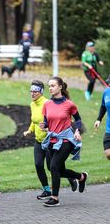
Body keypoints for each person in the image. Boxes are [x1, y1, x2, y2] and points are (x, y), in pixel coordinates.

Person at [23, 80, 78, 200]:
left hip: (52, 141)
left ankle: (71, 179)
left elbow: (63, 118)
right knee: (39, 165)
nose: (32, 94)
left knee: (53, 167)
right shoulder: (33, 104)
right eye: (31, 91)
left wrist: (52, 128)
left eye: (35, 91)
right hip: (39, 140)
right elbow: (35, 120)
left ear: (41, 92)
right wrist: (30, 130)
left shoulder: (48, 103)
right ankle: (47, 190)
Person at [40, 77, 88, 207]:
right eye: (49, 86)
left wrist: (77, 131)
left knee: (54, 167)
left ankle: (54, 198)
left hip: (66, 140)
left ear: (60, 87)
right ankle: (81, 177)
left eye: (53, 85)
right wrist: (43, 125)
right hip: (52, 139)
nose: (50, 88)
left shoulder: (69, 104)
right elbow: (46, 121)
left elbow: (78, 120)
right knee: (53, 168)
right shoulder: (47, 104)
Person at [94, 76, 110, 160]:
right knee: (108, 153)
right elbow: (103, 106)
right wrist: (99, 119)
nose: (109, 84)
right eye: (108, 83)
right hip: (109, 129)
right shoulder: (106, 92)